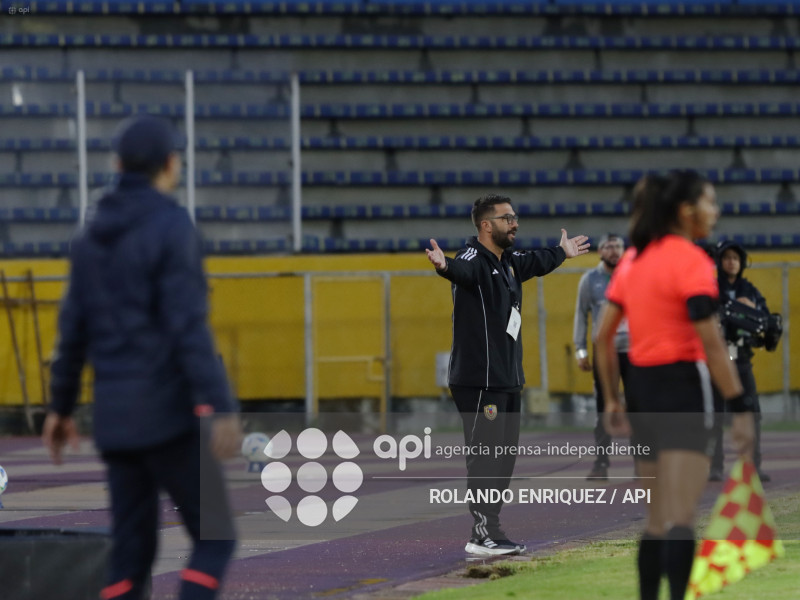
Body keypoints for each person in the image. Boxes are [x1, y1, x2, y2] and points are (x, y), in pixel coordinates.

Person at [42, 116, 241, 600]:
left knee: (130, 558)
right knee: (215, 538)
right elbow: (188, 327)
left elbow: (72, 333)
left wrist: (60, 409)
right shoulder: (173, 227)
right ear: (171, 165)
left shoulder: (89, 238)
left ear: (117, 165)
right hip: (169, 416)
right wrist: (220, 404)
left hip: (115, 422)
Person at [595, 171, 754, 600]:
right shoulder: (691, 260)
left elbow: (602, 338)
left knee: (655, 520)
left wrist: (611, 399)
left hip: (642, 390)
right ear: (686, 211)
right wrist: (741, 409)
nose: (715, 211)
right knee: (682, 518)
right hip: (684, 387)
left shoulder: (633, 259)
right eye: (710, 202)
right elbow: (712, 344)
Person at [426, 193, 589, 556]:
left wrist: (561, 253)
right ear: (486, 225)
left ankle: (492, 529)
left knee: (504, 458)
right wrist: (443, 266)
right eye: (507, 218)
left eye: (515, 217)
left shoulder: (509, 261)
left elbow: (537, 262)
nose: (515, 223)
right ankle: (482, 533)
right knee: (485, 456)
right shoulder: (473, 259)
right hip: (479, 380)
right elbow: (461, 271)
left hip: (508, 378)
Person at [709, 240, 772, 482]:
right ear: (719, 261)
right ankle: (715, 466)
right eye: (727, 258)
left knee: (752, 412)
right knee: (715, 414)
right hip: (717, 358)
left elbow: (765, 320)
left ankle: (754, 464)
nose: (731, 262)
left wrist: (751, 309)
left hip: (743, 357)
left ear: (742, 262)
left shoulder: (750, 290)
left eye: (736, 258)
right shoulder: (711, 289)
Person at [572, 233, 629, 481]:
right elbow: (580, 315)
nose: (613, 250)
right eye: (608, 246)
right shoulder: (590, 280)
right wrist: (581, 350)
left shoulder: (633, 276)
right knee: (604, 406)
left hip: (634, 350)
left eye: (618, 246)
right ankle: (601, 463)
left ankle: (643, 462)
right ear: (600, 251)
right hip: (604, 352)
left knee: (639, 406)